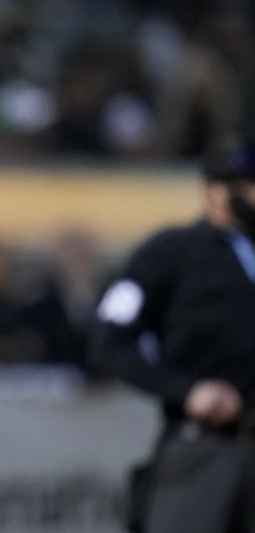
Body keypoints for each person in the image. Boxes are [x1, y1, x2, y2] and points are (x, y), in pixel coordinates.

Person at [89, 136, 255, 532]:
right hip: (206, 446)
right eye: (248, 180)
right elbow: (109, 339)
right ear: (214, 190)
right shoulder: (172, 251)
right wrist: (185, 390)